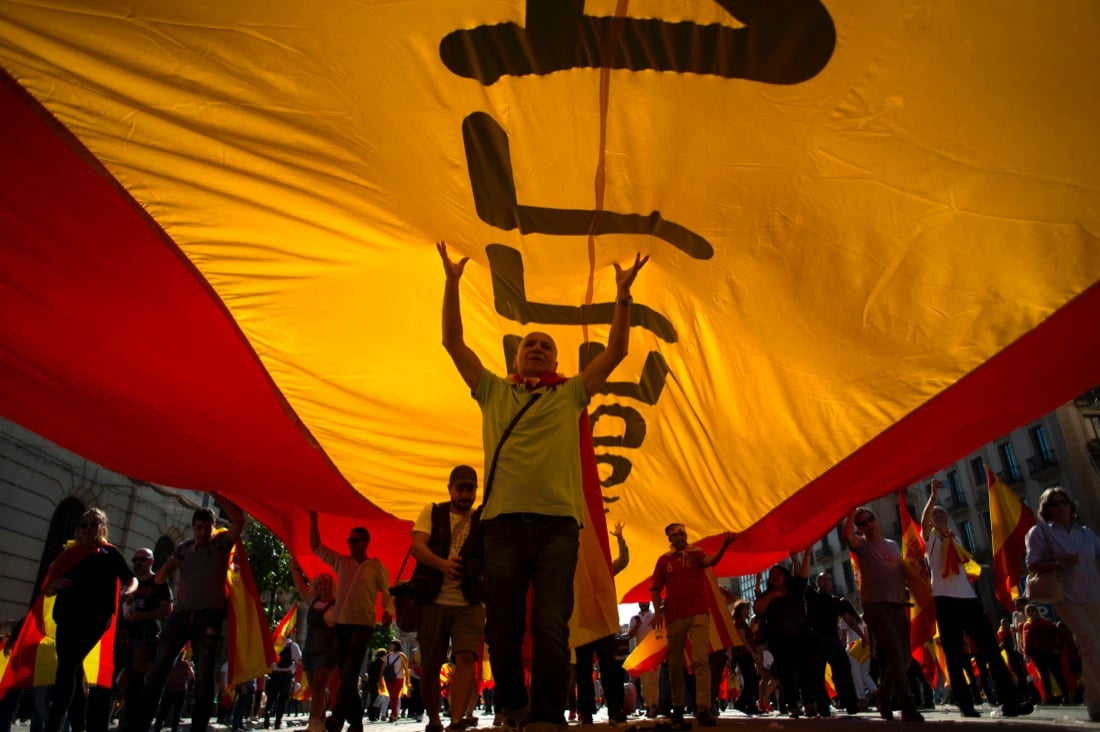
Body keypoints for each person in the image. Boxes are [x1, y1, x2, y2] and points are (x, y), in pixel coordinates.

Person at [437, 241, 648, 732]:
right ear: (516, 356)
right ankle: (514, 706)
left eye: (545, 346)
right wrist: (451, 283)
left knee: (552, 626)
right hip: (502, 528)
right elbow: (453, 343)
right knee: (503, 631)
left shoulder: (570, 392)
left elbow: (616, 351)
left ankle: (548, 718)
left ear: (555, 359)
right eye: (530, 344)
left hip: (558, 529)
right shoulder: (493, 391)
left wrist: (621, 297)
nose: (537, 349)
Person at [920, 479, 1032, 717]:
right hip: (945, 599)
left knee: (991, 648)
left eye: (942, 513)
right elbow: (923, 523)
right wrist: (932, 498)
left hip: (968, 599)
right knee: (954, 654)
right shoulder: (931, 541)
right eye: (935, 514)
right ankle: (966, 704)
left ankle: (1010, 701)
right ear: (931, 521)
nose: (939, 515)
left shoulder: (955, 538)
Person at [138, 498, 246, 732]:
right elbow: (159, 578)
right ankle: (142, 722)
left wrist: (222, 496)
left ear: (213, 526)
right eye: (199, 527)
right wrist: (164, 569)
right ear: (193, 527)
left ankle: (197, 727)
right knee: (158, 668)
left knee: (204, 677)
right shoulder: (185, 548)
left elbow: (240, 521)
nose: (203, 532)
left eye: (208, 527)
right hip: (180, 615)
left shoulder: (220, 544)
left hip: (207, 617)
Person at [43, 508, 138, 732]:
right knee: (72, 670)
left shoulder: (109, 553)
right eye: (84, 524)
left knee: (66, 669)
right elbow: (46, 589)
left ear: (102, 528)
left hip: (94, 620)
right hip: (66, 618)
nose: (88, 529)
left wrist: (129, 590)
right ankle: (78, 726)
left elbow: (130, 577)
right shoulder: (69, 554)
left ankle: (53, 725)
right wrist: (55, 585)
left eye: (94, 524)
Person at [409, 465, 486, 732]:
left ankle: (455, 720)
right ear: (450, 489)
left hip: (470, 603)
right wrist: (443, 565)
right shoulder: (432, 512)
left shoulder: (482, 520)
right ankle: (434, 719)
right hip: (433, 601)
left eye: (470, 489)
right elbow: (417, 547)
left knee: (466, 658)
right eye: (460, 488)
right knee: (430, 666)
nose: (465, 494)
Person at [309, 513, 394, 732]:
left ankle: (337, 718)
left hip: (363, 624)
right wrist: (312, 518)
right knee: (347, 674)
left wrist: (387, 611)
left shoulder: (376, 567)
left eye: (355, 540)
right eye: (349, 541)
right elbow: (316, 547)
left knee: (349, 673)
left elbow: (387, 594)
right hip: (341, 624)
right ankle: (356, 723)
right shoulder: (341, 562)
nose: (350, 544)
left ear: (365, 542)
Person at [650, 523, 737, 728]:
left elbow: (711, 561)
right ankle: (678, 707)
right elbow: (655, 588)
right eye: (674, 534)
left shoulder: (697, 554)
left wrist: (724, 545)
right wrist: (656, 613)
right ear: (670, 539)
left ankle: (703, 708)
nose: (679, 536)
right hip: (674, 615)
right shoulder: (664, 560)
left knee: (701, 660)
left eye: (681, 532)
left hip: (698, 613)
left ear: (686, 534)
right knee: (674, 665)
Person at [842, 505, 923, 722]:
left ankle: (883, 695)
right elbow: (846, 534)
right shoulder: (861, 545)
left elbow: (901, 572)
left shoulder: (893, 545)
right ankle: (908, 707)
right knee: (896, 655)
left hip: (898, 605)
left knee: (905, 658)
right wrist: (851, 510)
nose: (867, 524)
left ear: (876, 520)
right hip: (876, 606)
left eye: (869, 519)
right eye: (862, 523)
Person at [1026, 485, 1100, 719]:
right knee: (1090, 644)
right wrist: (1059, 563)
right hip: (1066, 597)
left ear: (1070, 505)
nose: (1060, 507)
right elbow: (1032, 563)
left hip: (1094, 594)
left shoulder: (1085, 532)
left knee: (1090, 647)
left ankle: (1095, 704)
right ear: (1046, 510)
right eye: (1053, 504)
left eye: (1063, 502)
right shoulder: (1041, 532)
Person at [574, 521, 631, 726]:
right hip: (582, 625)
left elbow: (623, 561)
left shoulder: (605, 568)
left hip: (603, 624)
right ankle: (585, 713)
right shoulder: (573, 569)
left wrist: (620, 539)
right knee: (583, 671)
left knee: (609, 669)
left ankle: (615, 711)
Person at [753, 553, 818, 719]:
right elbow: (758, 609)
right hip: (778, 640)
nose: (775, 577)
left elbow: (803, 574)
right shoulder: (767, 594)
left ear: (785, 576)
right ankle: (793, 706)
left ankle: (810, 704)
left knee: (804, 671)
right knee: (786, 673)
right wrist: (772, 595)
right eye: (772, 575)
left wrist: (806, 554)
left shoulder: (794, 590)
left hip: (800, 636)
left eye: (778, 574)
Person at [118, 547, 173, 732]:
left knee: (136, 682)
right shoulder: (127, 583)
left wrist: (144, 616)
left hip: (144, 639)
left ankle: (134, 723)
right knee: (112, 679)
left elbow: (167, 609)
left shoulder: (158, 582)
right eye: (135, 559)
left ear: (151, 561)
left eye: (142, 559)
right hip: (122, 636)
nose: (137, 562)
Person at [804, 571, 862, 716]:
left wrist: (863, 636)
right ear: (817, 582)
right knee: (817, 676)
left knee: (844, 670)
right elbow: (802, 578)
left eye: (829, 580)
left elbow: (849, 620)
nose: (827, 582)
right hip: (817, 641)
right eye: (823, 579)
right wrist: (797, 559)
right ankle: (823, 707)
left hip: (833, 641)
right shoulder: (811, 596)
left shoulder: (836, 601)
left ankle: (850, 704)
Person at [292, 564, 338, 732]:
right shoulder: (313, 602)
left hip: (327, 653)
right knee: (315, 689)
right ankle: (321, 722)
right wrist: (294, 569)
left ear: (331, 585)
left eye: (325, 582)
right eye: (319, 583)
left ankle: (312, 725)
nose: (322, 585)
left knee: (319, 687)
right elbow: (300, 586)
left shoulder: (336, 605)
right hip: (310, 651)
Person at [727, 601, 759, 716]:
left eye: (747, 609)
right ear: (739, 610)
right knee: (750, 678)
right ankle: (743, 702)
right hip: (743, 653)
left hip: (743, 653)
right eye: (745, 609)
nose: (747, 611)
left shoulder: (742, 622)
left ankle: (747, 703)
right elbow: (742, 639)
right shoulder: (739, 622)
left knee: (750, 679)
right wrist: (752, 652)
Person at [627, 602, 658, 717]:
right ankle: (648, 705)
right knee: (644, 682)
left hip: (653, 652)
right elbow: (629, 635)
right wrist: (636, 626)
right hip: (641, 653)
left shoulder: (655, 615)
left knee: (654, 680)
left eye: (645, 601)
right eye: (641, 601)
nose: (643, 603)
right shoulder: (634, 619)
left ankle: (654, 705)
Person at [265, 637, 302, 729]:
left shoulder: (275, 644)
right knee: (282, 699)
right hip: (287, 676)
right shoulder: (293, 645)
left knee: (271, 697)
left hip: (275, 674)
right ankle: (278, 722)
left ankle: (268, 712)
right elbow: (299, 660)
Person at [152, 652, 193, 732]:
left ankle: (157, 728)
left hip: (168, 689)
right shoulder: (185, 665)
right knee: (176, 713)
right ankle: (174, 729)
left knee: (163, 711)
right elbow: (191, 675)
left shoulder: (169, 664)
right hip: (179, 690)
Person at [382, 641, 409, 723]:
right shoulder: (388, 656)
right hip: (389, 679)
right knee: (392, 696)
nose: (390, 646)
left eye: (392, 644)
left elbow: (406, 668)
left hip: (399, 678)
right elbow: (383, 667)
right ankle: (395, 714)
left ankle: (393, 714)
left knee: (394, 696)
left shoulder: (401, 656)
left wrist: (408, 681)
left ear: (396, 646)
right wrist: (380, 678)